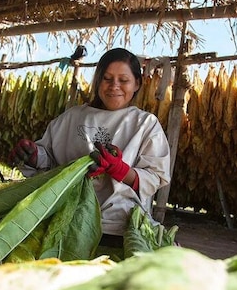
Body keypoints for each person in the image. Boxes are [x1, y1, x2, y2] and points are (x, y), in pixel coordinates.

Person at [9, 47, 171, 249]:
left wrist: (120, 170)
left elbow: (155, 177)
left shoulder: (145, 124)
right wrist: (33, 155)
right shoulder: (72, 118)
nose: (114, 86)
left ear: (137, 83)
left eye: (123, 80)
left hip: (117, 227)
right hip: (65, 219)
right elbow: (49, 158)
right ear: (98, 81)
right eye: (107, 78)